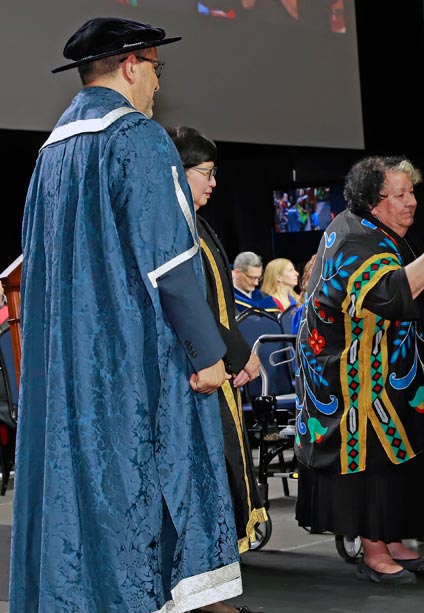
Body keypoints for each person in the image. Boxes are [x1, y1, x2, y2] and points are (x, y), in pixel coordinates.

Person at [11, 17, 241, 612]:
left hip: (67, 364)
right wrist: (209, 355)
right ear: (132, 64)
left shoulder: (50, 152)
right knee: (145, 489)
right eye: (156, 69)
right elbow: (169, 264)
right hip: (131, 361)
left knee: (79, 491)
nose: (158, 86)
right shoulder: (138, 139)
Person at [294, 155, 424, 585]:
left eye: (412, 192)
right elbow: (392, 295)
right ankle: (374, 548)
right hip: (350, 373)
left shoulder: (373, 229)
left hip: (382, 365)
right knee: (369, 456)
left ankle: (390, 537)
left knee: (396, 452)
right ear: (374, 201)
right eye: (400, 195)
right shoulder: (358, 239)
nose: (412, 201)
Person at [168, 126, 267, 613]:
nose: (212, 184)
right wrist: (234, 352)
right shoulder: (172, 225)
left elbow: (219, 304)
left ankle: (211, 594)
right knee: (200, 485)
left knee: (216, 480)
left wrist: (239, 351)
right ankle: (200, 598)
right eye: (205, 173)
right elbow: (193, 305)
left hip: (212, 369)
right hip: (189, 379)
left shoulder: (196, 224)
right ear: (178, 172)